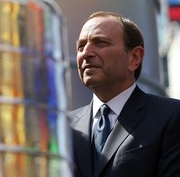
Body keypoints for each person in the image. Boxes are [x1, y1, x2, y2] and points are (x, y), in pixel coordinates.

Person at [69, 11, 180, 177]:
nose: (86, 53)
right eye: (80, 46)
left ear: (134, 57)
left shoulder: (170, 116)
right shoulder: (64, 127)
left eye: (100, 43)